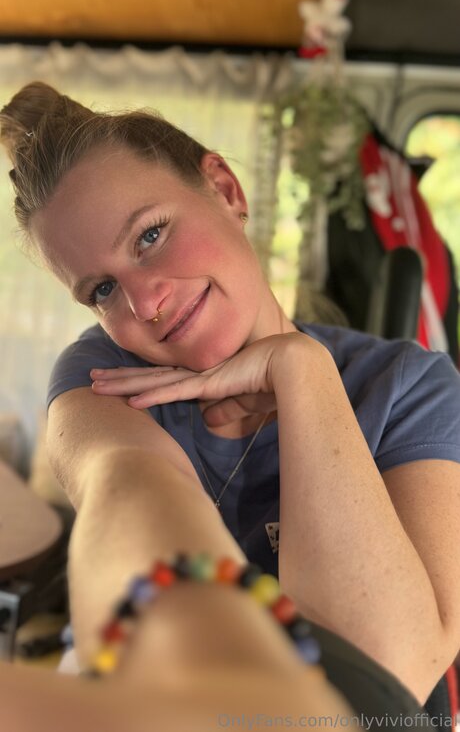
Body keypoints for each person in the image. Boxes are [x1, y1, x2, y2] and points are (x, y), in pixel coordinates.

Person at [1, 82, 460, 713]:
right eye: (102, 290)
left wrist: (301, 372)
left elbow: (387, 673)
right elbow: (126, 487)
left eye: (149, 235)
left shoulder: (410, 387)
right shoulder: (104, 374)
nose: (145, 303)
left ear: (225, 189)